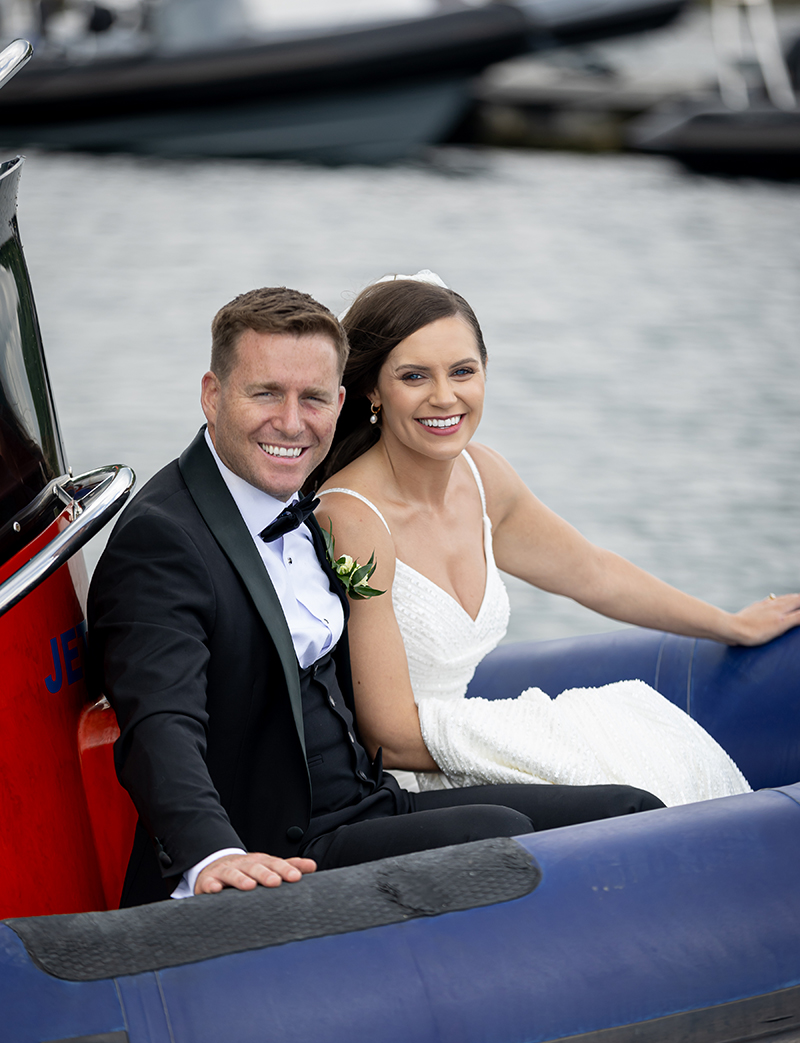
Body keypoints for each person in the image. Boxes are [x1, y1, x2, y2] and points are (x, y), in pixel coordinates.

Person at [88, 286, 666, 907]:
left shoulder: (307, 507)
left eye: (312, 398)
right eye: (265, 393)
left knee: (626, 809)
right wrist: (212, 852)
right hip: (278, 843)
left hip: (371, 801)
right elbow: (160, 719)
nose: (291, 421)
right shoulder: (164, 537)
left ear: (340, 403)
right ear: (212, 394)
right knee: (497, 838)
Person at [311, 272, 800, 803]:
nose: (445, 397)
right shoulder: (353, 520)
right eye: (413, 377)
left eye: (462, 371)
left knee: (651, 735)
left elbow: (592, 572)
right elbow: (391, 737)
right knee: (621, 761)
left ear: (485, 371)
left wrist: (729, 624)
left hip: (457, 749)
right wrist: (546, 735)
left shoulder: (482, 477)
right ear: (369, 389)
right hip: (397, 782)